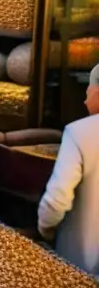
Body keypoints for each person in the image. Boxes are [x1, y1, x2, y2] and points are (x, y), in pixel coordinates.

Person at [37, 63, 99, 275]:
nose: (84, 99)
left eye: (88, 92)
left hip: (82, 267)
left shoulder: (80, 132)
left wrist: (46, 229)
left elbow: (57, 199)